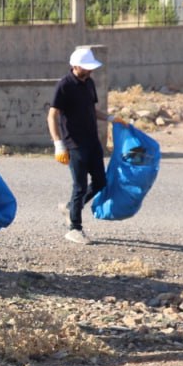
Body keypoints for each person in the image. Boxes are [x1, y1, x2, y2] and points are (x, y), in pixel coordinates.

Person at [48, 46, 124, 245]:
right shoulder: (64, 85)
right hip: (74, 143)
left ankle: (71, 207)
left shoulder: (89, 83)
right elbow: (52, 115)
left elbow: (92, 109)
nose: (90, 71)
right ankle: (74, 229)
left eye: (91, 68)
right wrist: (58, 144)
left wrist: (110, 118)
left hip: (92, 141)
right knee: (80, 186)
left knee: (100, 181)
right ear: (75, 66)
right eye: (86, 67)